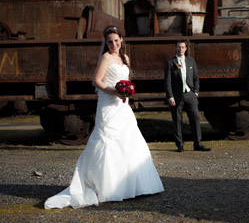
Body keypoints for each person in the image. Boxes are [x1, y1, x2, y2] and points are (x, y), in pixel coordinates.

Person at [44, 25, 164, 209]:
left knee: (128, 140)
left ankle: (131, 186)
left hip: (122, 106)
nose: (113, 44)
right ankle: (106, 186)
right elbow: (96, 81)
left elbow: (127, 79)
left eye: (116, 41)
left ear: (121, 40)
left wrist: (127, 90)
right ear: (106, 43)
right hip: (108, 104)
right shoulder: (106, 58)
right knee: (107, 141)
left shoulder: (125, 58)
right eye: (110, 42)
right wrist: (114, 91)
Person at [164, 40, 211, 152]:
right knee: (177, 120)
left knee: (195, 118)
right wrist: (170, 96)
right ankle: (180, 144)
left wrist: (195, 93)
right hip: (176, 95)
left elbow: (196, 78)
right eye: (178, 47)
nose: (180, 49)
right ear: (175, 48)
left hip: (190, 94)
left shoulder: (191, 61)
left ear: (185, 49)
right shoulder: (170, 63)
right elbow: (167, 82)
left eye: (182, 47)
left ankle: (198, 143)